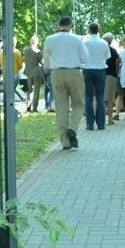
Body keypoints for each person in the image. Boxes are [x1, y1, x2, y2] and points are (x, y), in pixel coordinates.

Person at [42, 16, 87, 150]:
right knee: (78, 104)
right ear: (71, 26)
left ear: (59, 25)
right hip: (74, 72)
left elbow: (46, 60)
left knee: (61, 107)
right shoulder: (77, 39)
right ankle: (72, 129)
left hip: (56, 73)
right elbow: (85, 58)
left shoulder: (49, 39)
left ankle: (65, 142)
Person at [82, 22, 111, 130]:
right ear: (98, 30)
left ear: (89, 30)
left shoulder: (85, 42)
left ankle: (89, 124)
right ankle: (101, 123)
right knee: (100, 97)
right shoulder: (104, 43)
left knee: (88, 97)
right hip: (100, 69)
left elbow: (82, 57)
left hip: (87, 69)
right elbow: (107, 56)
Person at [102, 33, 120, 125]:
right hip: (111, 75)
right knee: (110, 98)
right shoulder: (113, 51)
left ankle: (101, 118)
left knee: (101, 98)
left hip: (101, 74)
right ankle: (109, 118)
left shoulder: (101, 50)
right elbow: (117, 64)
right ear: (111, 41)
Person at [22, 36, 44, 112]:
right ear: (37, 42)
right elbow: (42, 62)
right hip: (37, 72)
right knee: (36, 90)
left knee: (29, 89)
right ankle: (34, 108)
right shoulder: (38, 51)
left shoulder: (25, 50)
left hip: (28, 71)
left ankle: (28, 106)